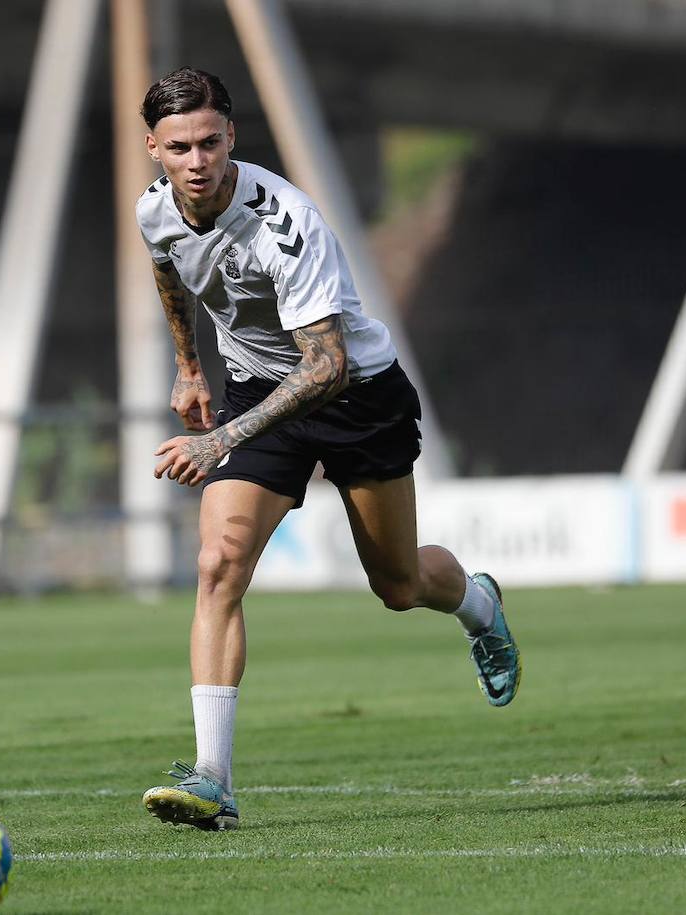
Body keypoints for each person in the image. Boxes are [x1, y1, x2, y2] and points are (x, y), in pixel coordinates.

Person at [132, 67, 521, 830]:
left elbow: (327, 363)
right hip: (253, 391)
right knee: (219, 563)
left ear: (232, 136)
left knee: (399, 585)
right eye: (180, 147)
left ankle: (479, 603)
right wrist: (187, 367)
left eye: (211, 141)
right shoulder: (155, 211)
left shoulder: (286, 222)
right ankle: (214, 777)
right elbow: (168, 269)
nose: (198, 160)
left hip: (355, 399)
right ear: (156, 149)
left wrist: (219, 441)